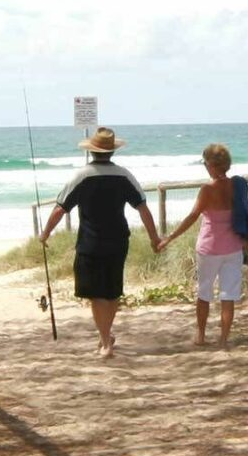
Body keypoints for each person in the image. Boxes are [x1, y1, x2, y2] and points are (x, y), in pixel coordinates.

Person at [42, 126, 165, 359]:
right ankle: (105, 337)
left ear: (92, 152)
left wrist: (45, 233)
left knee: (97, 294)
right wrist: (154, 238)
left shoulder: (81, 176)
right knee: (112, 291)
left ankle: (106, 341)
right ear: (112, 152)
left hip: (90, 241)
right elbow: (143, 209)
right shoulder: (124, 175)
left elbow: (60, 209)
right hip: (118, 240)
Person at [158, 143, 245, 347]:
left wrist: (170, 237)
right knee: (228, 295)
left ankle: (201, 335)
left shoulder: (207, 189)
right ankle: (224, 339)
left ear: (212, 166)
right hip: (233, 247)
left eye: (205, 163)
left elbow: (192, 216)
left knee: (204, 292)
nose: (205, 166)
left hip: (209, 248)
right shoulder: (237, 186)